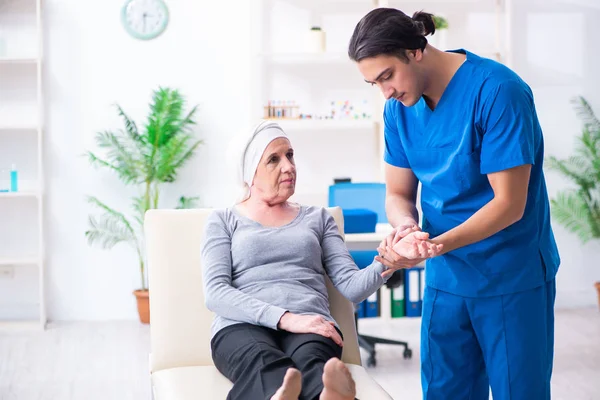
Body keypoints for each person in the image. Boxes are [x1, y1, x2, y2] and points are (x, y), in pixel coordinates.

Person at [348, 8, 561, 400]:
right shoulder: (399, 109)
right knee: (446, 393)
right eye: (373, 83)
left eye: (387, 76)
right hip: (447, 279)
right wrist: (406, 229)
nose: (385, 92)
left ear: (416, 50)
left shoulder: (498, 91)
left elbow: (510, 204)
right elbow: (397, 194)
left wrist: (434, 247)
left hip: (510, 275)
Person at [201, 120, 442, 400]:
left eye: (290, 155)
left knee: (314, 365)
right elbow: (216, 293)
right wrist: (285, 319)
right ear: (249, 173)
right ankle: (282, 395)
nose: (289, 166)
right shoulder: (223, 220)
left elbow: (352, 286)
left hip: (310, 322)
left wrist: (390, 260)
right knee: (263, 363)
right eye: (273, 160)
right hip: (242, 326)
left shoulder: (317, 218)